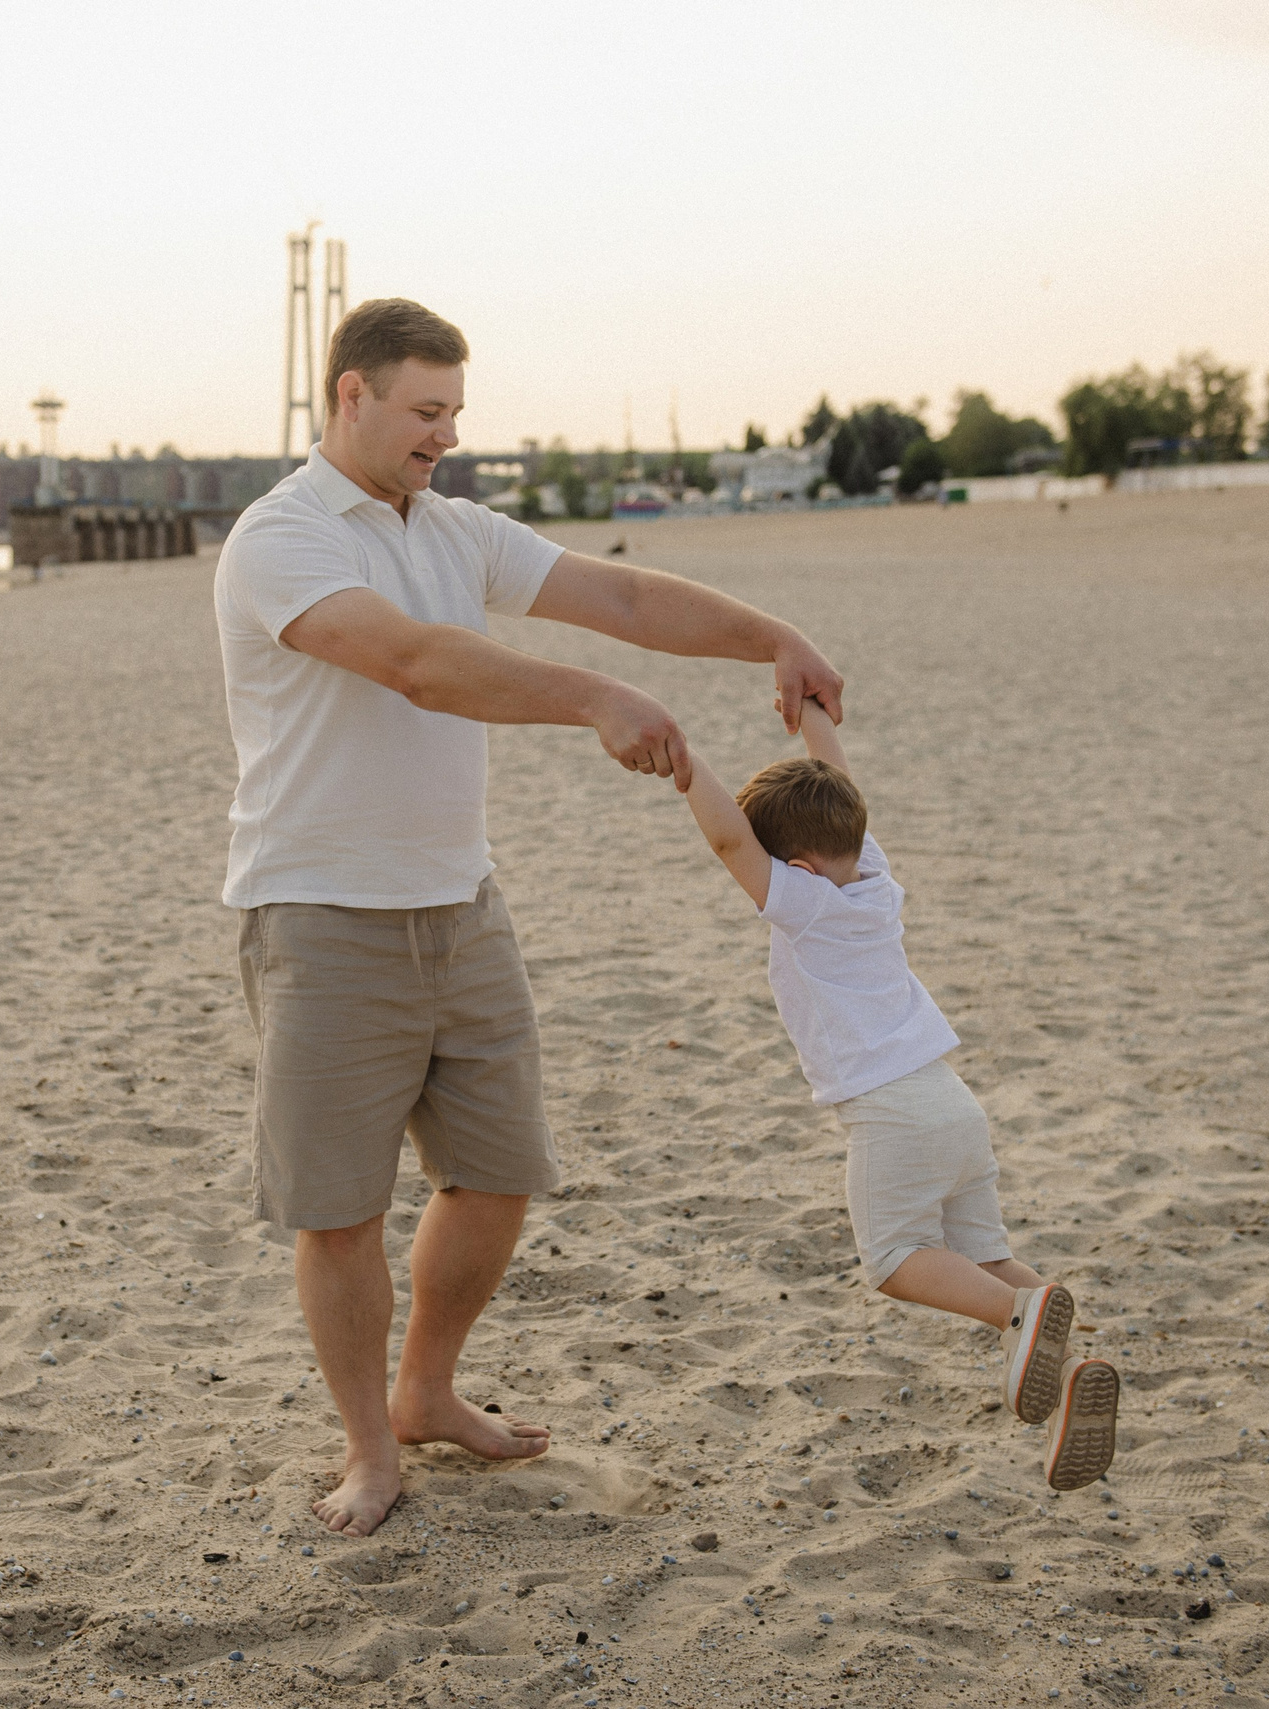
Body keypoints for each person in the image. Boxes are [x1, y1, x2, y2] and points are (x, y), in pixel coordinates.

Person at [214, 297, 845, 1537]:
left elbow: (617, 596)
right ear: (352, 396)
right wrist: (593, 700)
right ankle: (365, 1451)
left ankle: (426, 1389)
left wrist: (768, 635)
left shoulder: (452, 528)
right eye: (424, 410)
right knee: (338, 1210)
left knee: (495, 1178)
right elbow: (414, 664)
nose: (443, 434)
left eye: (454, 410)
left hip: (463, 904)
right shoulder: (279, 539)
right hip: (322, 915)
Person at [673, 699, 1119, 1490]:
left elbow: (727, 839)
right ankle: (1067, 1357)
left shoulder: (806, 905)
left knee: (892, 1259)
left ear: (798, 871)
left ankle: (1017, 1314)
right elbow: (840, 783)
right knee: (983, 1256)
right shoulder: (872, 875)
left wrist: (681, 758)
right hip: (952, 1102)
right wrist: (812, 712)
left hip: (892, 1112)